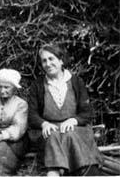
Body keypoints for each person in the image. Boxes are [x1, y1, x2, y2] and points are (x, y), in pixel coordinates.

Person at [28, 44, 103, 176]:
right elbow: (32, 114)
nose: (48, 64)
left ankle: (86, 171)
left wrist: (74, 120)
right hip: (50, 130)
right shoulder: (38, 85)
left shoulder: (76, 81)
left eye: (51, 59)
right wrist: (43, 123)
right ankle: (54, 172)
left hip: (76, 128)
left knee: (70, 134)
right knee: (52, 135)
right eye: (44, 61)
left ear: (61, 60)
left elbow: (87, 112)